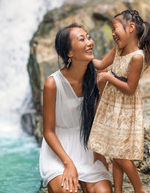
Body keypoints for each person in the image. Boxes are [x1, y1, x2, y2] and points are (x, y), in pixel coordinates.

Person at [39, 23, 112, 193]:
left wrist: (98, 150)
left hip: (86, 145)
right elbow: (48, 131)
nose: (89, 42)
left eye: (88, 37)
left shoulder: (98, 75)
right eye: (82, 39)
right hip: (59, 151)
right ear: (70, 52)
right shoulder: (53, 83)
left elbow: (99, 117)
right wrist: (68, 163)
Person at [88, 10, 150, 193]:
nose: (113, 33)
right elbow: (101, 64)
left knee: (121, 154)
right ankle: (118, 191)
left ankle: (139, 189)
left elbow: (130, 88)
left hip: (125, 108)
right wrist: (84, 57)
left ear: (131, 28)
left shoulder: (137, 57)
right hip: (112, 106)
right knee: (115, 154)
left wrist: (108, 78)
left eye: (115, 28)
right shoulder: (117, 49)